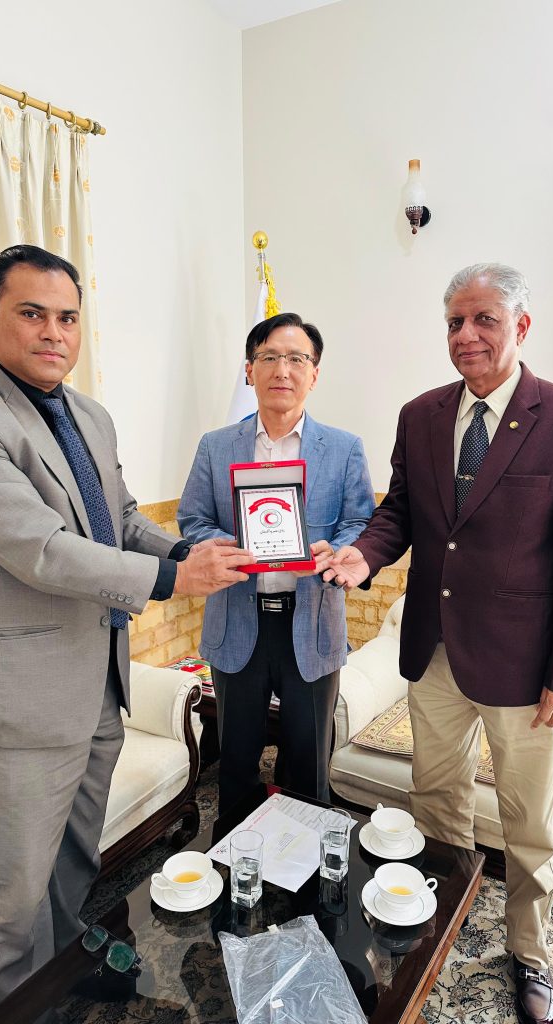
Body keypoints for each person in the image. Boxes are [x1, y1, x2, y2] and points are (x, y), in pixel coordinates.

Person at [0, 244, 251, 1015]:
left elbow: (121, 523)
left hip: (98, 681)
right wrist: (172, 579)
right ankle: (18, 1007)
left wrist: (193, 550)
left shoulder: (87, 413)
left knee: (71, 865)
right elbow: (40, 549)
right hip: (16, 702)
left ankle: (58, 981)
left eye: (68, 317)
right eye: (32, 314)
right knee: (15, 891)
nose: (53, 332)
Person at [325, 264, 553, 1024]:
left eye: (484, 320)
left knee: (525, 821)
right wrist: (365, 553)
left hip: (524, 665)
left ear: (521, 327)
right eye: (455, 322)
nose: (466, 336)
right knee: (437, 801)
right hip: (436, 653)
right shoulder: (421, 414)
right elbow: (401, 514)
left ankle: (530, 949)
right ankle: (434, 918)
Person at [178, 312, 375, 814]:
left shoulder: (345, 448)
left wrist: (337, 548)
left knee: (308, 762)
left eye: (296, 358)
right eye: (269, 357)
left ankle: (304, 870)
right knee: (237, 761)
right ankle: (237, 865)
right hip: (237, 624)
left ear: (314, 372)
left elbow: (359, 523)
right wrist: (232, 544)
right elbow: (192, 518)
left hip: (311, 623)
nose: (281, 370)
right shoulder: (216, 445)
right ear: (250, 370)